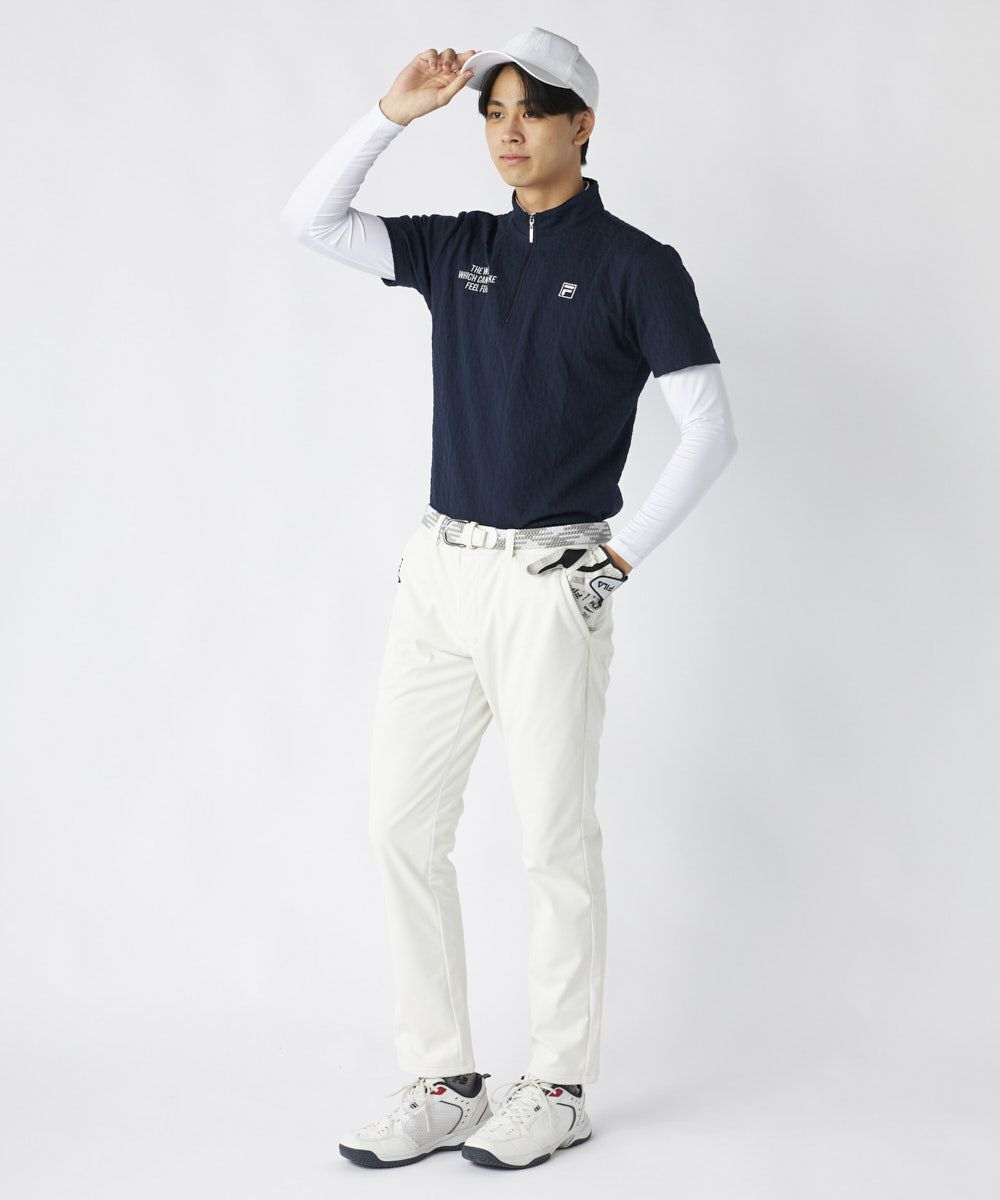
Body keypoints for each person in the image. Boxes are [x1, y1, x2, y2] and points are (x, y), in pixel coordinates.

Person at [280, 25, 738, 1171]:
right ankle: (444, 1078)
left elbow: (709, 430)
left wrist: (616, 560)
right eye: (493, 111)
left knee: (551, 841)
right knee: (401, 825)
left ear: (583, 124)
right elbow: (311, 219)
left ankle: (560, 1085)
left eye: (532, 109)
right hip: (438, 571)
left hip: (549, 581)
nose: (508, 130)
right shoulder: (461, 247)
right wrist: (390, 115)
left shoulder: (638, 265)